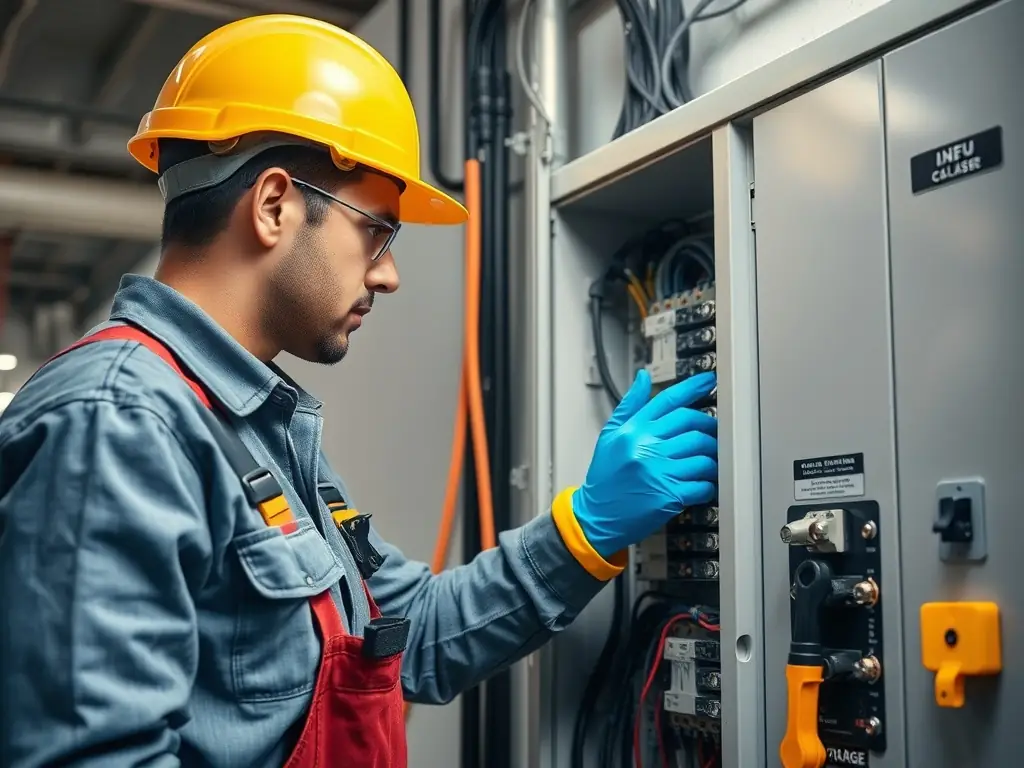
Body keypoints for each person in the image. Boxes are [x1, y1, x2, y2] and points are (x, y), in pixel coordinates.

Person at [0, 14, 718, 768]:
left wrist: (588, 529)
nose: (388, 274)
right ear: (274, 205)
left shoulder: (253, 427)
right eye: (376, 231)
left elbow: (416, 639)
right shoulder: (118, 422)